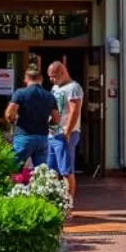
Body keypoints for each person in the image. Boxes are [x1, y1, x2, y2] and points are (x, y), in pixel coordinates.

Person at [3, 63, 56, 170]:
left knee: (13, 168)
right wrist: (47, 123)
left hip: (24, 136)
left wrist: (13, 121)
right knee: (41, 173)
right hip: (42, 137)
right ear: (41, 79)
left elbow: (9, 114)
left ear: (26, 79)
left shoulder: (20, 93)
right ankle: (41, 187)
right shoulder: (50, 96)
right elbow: (56, 118)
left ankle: (14, 186)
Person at [48, 59, 83, 204]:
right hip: (51, 134)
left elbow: (75, 111)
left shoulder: (74, 87)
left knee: (66, 170)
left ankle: (68, 203)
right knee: (51, 171)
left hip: (65, 134)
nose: (51, 79)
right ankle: (54, 200)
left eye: (54, 76)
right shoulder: (55, 88)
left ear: (63, 72)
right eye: (50, 76)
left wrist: (67, 132)